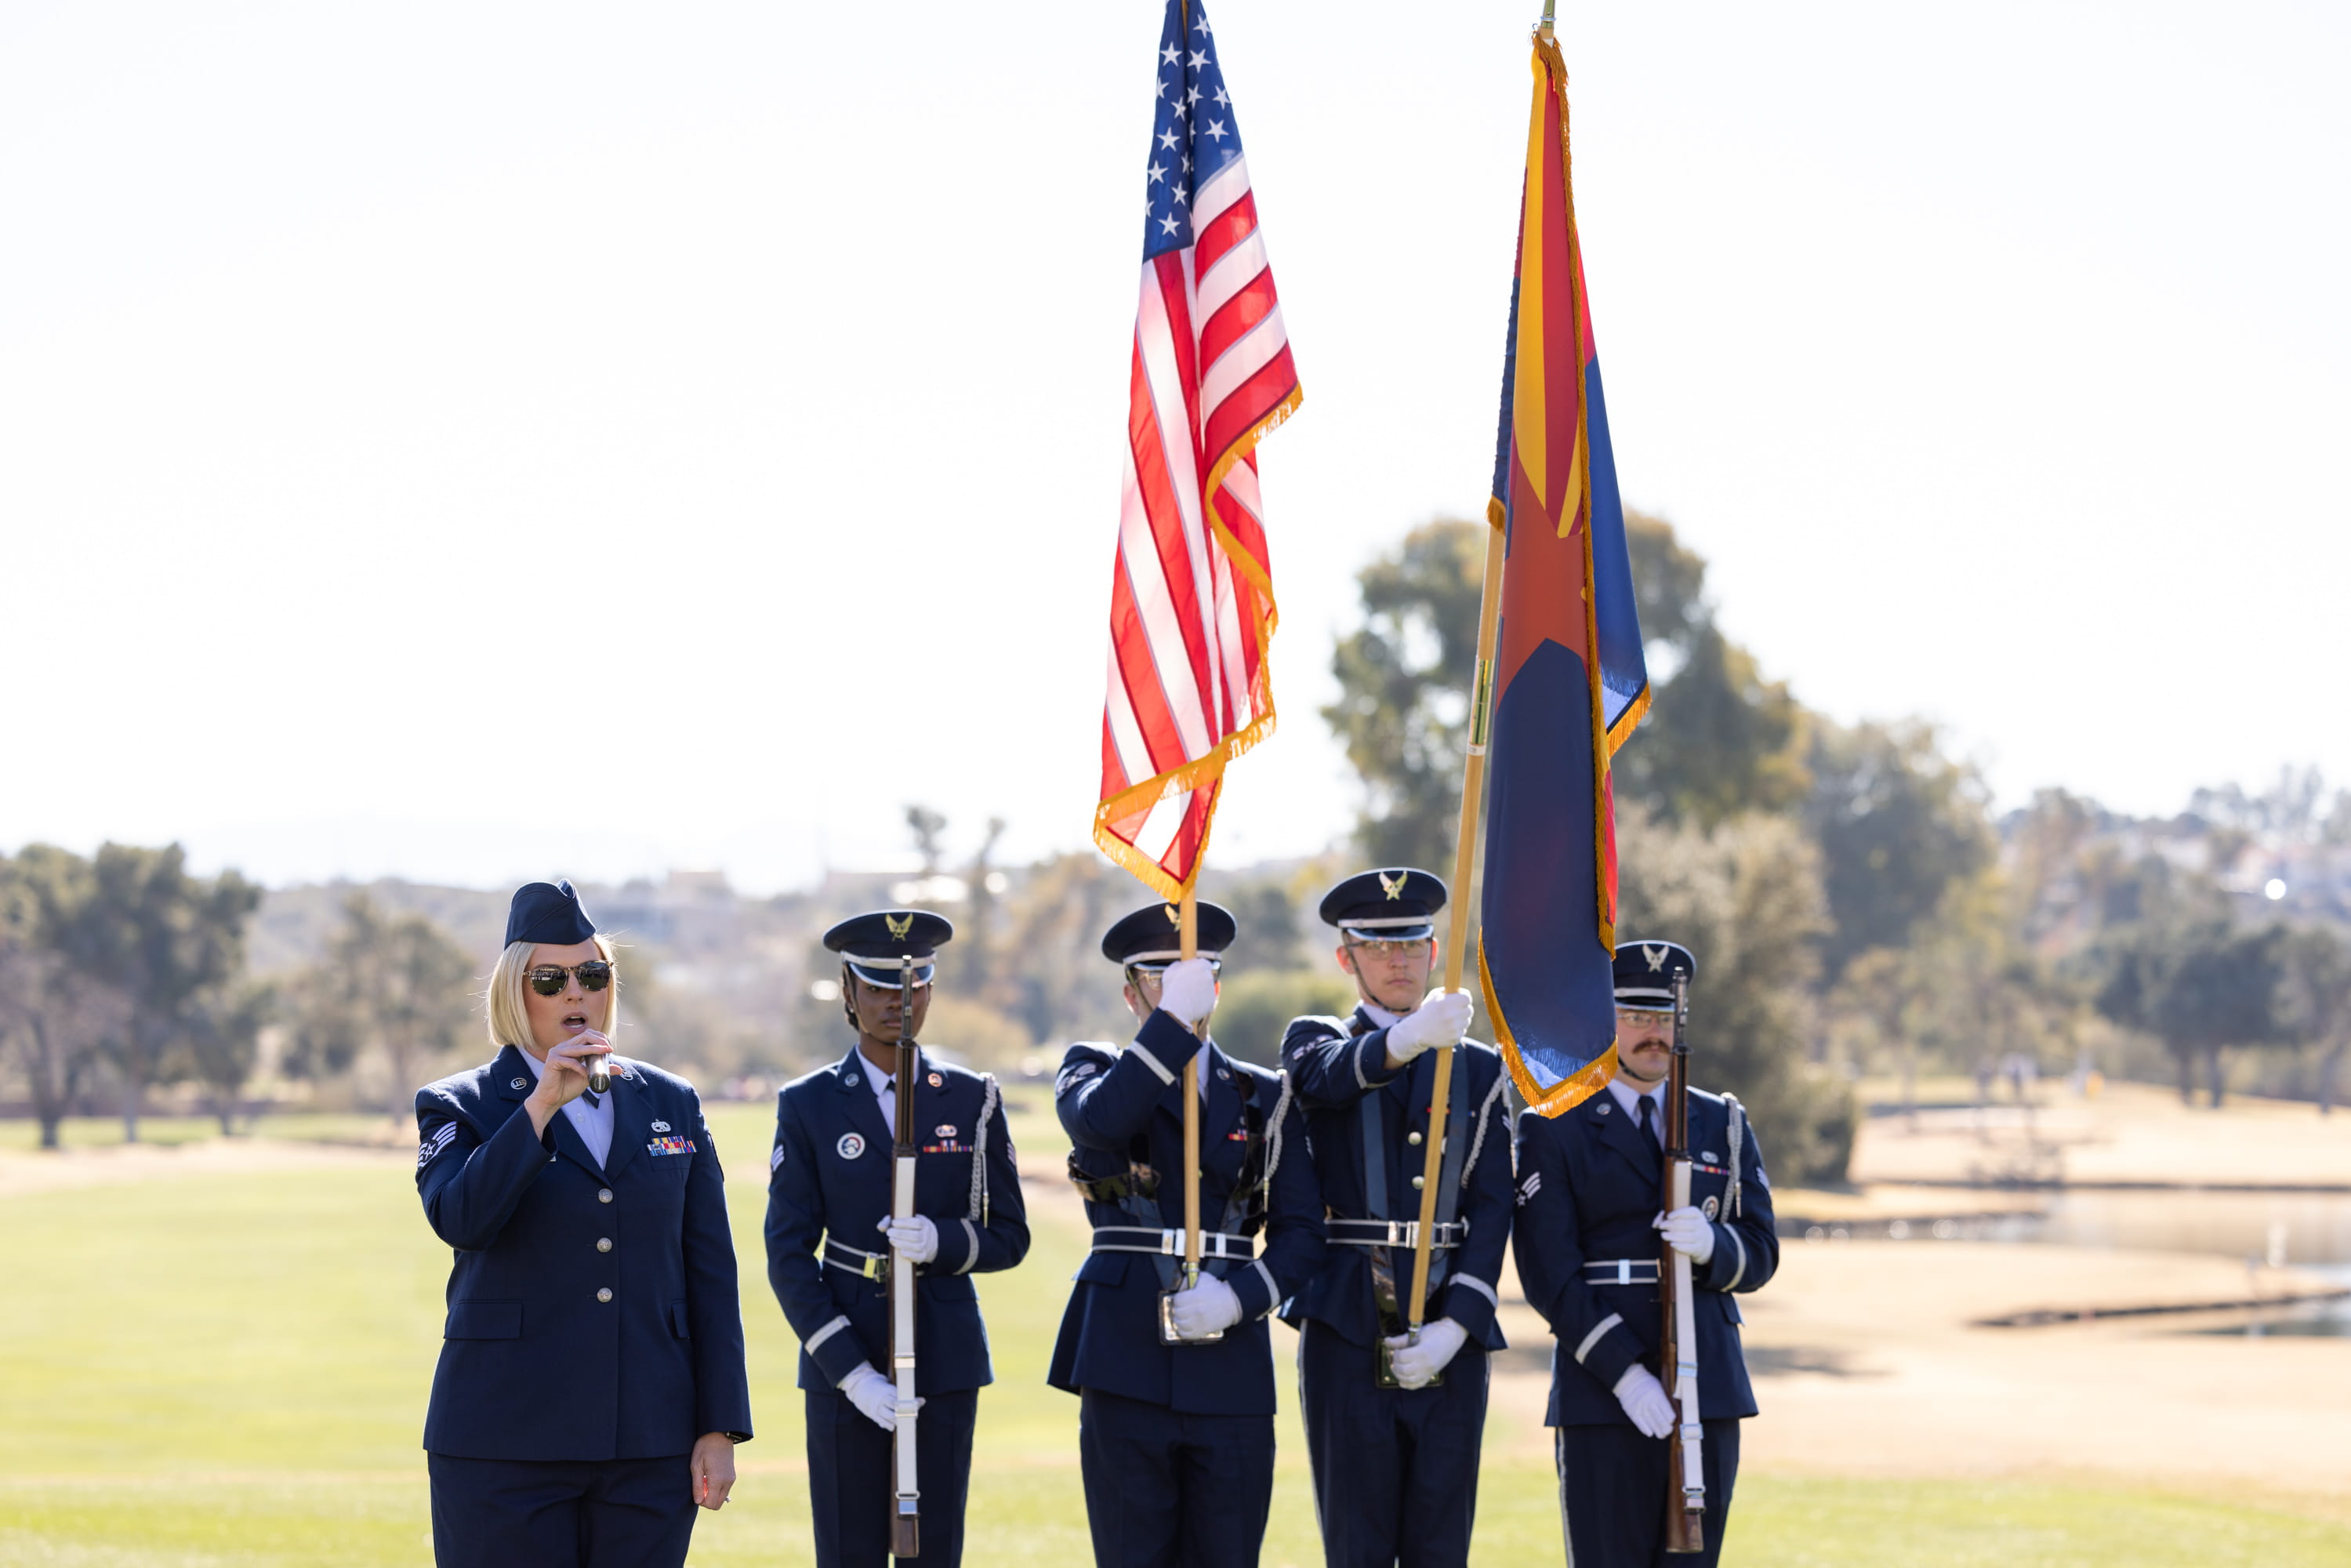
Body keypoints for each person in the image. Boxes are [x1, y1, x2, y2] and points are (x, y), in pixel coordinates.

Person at [414, 879, 752, 1568]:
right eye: (551, 979)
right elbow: (461, 1219)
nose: (576, 992)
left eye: (592, 974)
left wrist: (719, 1427)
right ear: (516, 992)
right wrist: (537, 1108)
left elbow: (710, 1271)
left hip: (648, 1444)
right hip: (502, 1446)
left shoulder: (671, 1101)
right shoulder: (460, 1105)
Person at [1049, 900, 1326, 1568]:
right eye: (1156, 975)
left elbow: (1300, 1236)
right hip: (1124, 1352)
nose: (1175, 986)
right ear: (1129, 991)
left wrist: (1238, 1300)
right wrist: (1171, 1024)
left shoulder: (1265, 1095)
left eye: (1192, 975)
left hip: (1228, 1362)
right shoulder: (1091, 1067)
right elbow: (1102, 1125)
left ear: (1217, 984)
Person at [764, 909, 1029, 1568]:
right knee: (848, 1550)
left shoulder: (973, 1099)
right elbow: (788, 1254)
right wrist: (851, 1375)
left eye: (911, 986)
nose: (897, 1003)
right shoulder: (811, 1104)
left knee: (932, 1551)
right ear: (848, 992)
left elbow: (1009, 1237)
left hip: (943, 1349)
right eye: (879, 987)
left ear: (931, 990)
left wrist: (939, 1241)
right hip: (844, 1351)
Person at [1511, 940, 1778, 1568]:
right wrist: (1625, 1374)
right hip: (1602, 1387)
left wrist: (1715, 1245)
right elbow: (1550, 1273)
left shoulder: (1722, 1122)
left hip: (1705, 1384)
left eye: (1663, 1018)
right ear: (1604, 1021)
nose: (1651, 1033)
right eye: (1634, 1016)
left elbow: (1761, 1252)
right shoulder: (1555, 1121)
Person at [1278, 868, 1514, 1568]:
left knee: (1442, 1544)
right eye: (1378, 947)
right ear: (1345, 958)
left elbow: (1492, 1206)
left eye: (1412, 944)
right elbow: (1320, 1079)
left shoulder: (1480, 1068)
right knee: (1356, 1543)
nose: (1398, 960)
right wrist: (1408, 1039)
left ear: (1433, 952)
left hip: (1448, 1326)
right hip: (1347, 1323)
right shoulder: (1314, 1039)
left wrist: (1458, 1323)